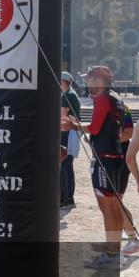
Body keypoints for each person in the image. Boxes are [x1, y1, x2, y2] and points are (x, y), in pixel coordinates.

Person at [68, 65, 139, 268]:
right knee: (114, 206)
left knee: (109, 207)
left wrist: (75, 125)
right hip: (114, 157)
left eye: (89, 78)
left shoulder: (105, 99)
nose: (85, 82)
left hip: (106, 159)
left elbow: (99, 128)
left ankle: (114, 252)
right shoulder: (116, 99)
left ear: (99, 81)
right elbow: (116, 130)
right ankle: (114, 248)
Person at [59, 72, 82, 208]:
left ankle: (65, 199)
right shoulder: (70, 93)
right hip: (71, 133)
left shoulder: (67, 95)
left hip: (67, 133)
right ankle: (69, 198)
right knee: (68, 165)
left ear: (63, 81)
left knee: (63, 165)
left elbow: (61, 116)